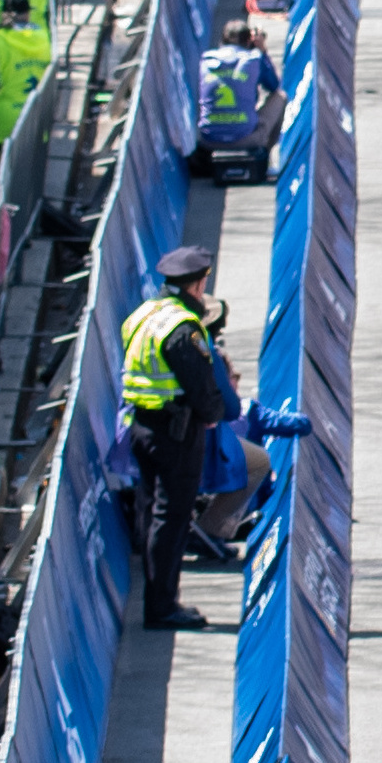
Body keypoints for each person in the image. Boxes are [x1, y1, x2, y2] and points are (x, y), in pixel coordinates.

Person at [115, 244, 240, 634]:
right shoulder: (183, 328)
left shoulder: (144, 314)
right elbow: (203, 389)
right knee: (171, 519)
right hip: (176, 432)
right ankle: (163, 605)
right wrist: (212, 416)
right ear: (198, 284)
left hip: (143, 425)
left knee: (152, 513)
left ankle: (159, 597)